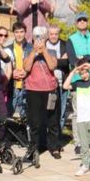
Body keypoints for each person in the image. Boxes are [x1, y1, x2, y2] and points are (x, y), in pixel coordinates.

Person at [23, 26, 67, 160]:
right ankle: (34, 148)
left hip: (49, 90)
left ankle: (54, 147)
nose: (39, 40)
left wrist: (44, 51)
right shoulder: (28, 50)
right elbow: (26, 67)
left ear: (46, 38)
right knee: (35, 122)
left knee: (52, 120)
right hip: (33, 91)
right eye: (37, 37)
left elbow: (53, 66)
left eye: (42, 37)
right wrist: (34, 53)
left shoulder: (52, 51)